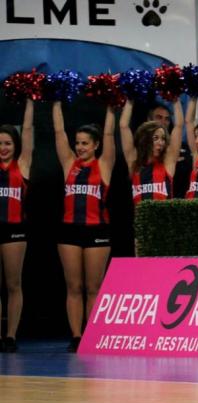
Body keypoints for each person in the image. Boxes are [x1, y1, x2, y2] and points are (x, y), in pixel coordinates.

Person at [52, 101, 116, 352]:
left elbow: (110, 133)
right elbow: (59, 133)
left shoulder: (104, 165)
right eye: (77, 142)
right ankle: (76, 336)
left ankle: (92, 333)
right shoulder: (70, 163)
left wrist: (112, 104)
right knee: (74, 286)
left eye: (85, 143)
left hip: (97, 230)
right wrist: (56, 101)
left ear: (96, 145)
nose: (79, 147)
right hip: (69, 230)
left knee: (93, 287)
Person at [0, 100, 34, 352]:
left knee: (13, 284)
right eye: (0, 143)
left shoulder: (21, 165)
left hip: (14, 230)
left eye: (8, 143)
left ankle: (10, 336)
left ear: (16, 145)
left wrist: (30, 101)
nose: (3, 148)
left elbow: (29, 130)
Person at [119, 98, 184, 205]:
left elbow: (179, 126)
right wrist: (130, 99)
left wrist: (175, 98)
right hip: (141, 221)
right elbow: (123, 126)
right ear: (146, 139)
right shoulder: (134, 161)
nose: (161, 142)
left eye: (163, 138)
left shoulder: (168, 162)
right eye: (156, 138)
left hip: (165, 221)